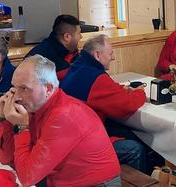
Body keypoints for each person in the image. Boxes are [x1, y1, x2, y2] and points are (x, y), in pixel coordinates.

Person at [0, 55, 120, 187]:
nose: (17, 97)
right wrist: (3, 119)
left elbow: (26, 178)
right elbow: (6, 159)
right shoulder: (34, 107)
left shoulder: (63, 116)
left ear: (48, 89)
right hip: (59, 179)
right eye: (15, 87)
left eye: (24, 89)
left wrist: (21, 128)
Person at [60, 34, 148, 173]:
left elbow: (106, 89)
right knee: (135, 148)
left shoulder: (79, 66)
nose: (113, 58)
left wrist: (121, 88)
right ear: (97, 55)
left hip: (68, 136)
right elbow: (127, 105)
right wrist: (140, 92)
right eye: (111, 53)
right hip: (80, 145)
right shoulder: (96, 78)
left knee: (129, 133)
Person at [25, 14, 82, 81]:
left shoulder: (71, 51)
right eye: (79, 33)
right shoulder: (40, 59)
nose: (81, 37)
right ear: (67, 37)